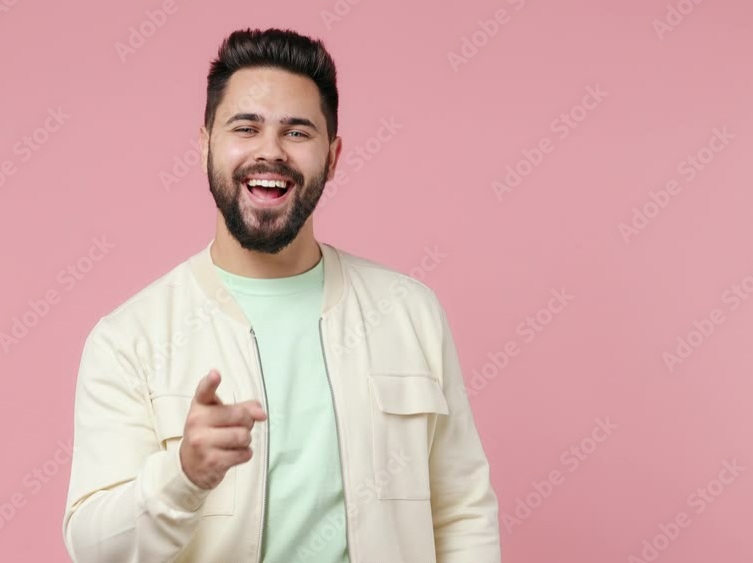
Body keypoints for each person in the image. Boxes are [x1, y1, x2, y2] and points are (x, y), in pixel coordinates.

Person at [62, 27, 501, 563]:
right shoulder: (128, 338)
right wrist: (183, 476)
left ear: (333, 156)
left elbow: (462, 512)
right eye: (245, 127)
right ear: (204, 145)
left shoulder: (410, 313)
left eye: (297, 133)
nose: (270, 152)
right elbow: (93, 548)